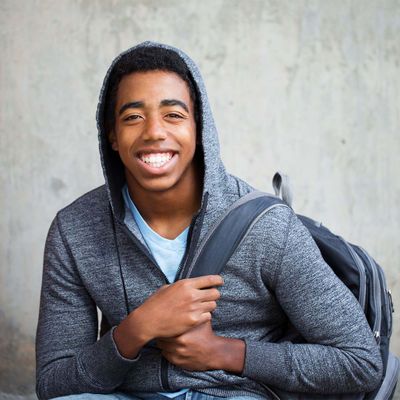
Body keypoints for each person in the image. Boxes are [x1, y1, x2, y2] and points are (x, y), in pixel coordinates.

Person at [36, 41, 383, 400]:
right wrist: (134, 330)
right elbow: (54, 383)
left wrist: (227, 352)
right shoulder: (74, 230)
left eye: (173, 114)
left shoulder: (268, 228)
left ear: (199, 128)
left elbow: (360, 363)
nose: (154, 131)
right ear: (111, 135)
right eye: (133, 117)